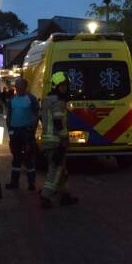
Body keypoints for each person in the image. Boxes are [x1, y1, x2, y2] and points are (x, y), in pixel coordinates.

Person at [40, 71, 78, 208]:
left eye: (65, 85)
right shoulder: (58, 101)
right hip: (56, 141)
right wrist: (64, 137)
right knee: (55, 170)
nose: (64, 88)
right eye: (62, 85)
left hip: (48, 140)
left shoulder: (47, 100)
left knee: (61, 170)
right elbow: (58, 122)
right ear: (56, 86)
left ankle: (65, 195)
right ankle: (45, 196)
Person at [5, 77, 39, 191]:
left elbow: (36, 115)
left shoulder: (31, 99)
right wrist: (10, 131)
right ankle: (14, 182)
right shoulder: (12, 100)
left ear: (25, 87)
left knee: (29, 158)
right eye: (16, 86)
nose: (17, 88)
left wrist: (32, 131)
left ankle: (31, 183)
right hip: (15, 132)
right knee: (16, 158)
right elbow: (9, 116)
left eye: (19, 86)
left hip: (27, 132)